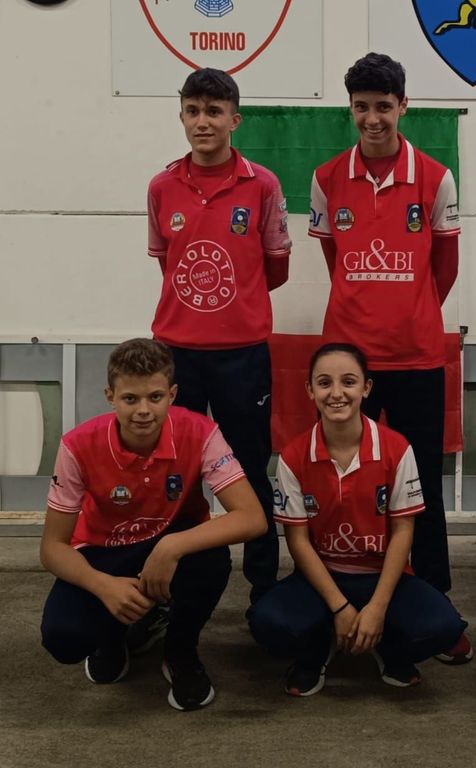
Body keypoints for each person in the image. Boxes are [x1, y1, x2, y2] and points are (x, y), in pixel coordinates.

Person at [308, 52, 471, 663]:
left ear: (403, 106)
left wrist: (409, 311)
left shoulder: (436, 176)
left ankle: (436, 607)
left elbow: (443, 269)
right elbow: (335, 262)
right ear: (350, 109)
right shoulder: (327, 178)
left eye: (383, 106)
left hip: (416, 357)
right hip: (348, 364)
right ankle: (335, 601)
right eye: (362, 107)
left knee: (420, 483)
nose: (372, 118)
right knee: (342, 481)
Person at [39, 339, 266, 711]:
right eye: (130, 399)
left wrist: (171, 547)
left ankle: (180, 649)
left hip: (170, 538)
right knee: (63, 638)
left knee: (211, 560)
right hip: (103, 550)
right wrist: (103, 586)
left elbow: (252, 517)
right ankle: (114, 637)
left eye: (155, 397)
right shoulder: (77, 445)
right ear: (110, 397)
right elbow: (52, 548)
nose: (143, 410)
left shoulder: (201, 432)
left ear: (172, 394)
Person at [147, 67, 291, 607]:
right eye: (193, 111)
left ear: (235, 119)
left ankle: (263, 590)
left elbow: (275, 267)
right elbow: (168, 264)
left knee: (250, 467)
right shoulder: (161, 186)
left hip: (242, 355)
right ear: (181, 116)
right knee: (176, 472)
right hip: (176, 354)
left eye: (213, 111)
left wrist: (235, 308)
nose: (202, 122)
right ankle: (178, 581)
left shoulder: (263, 185)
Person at [248, 343, 467, 695]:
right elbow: (298, 542)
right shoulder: (292, 456)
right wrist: (340, 607)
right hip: (322, 579)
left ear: (366, 388)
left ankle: (386, 646)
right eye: (324, 383)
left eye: (348, 382)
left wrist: (377, 607)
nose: (336, 393)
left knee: (444, 628)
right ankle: (317, 648)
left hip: (383, 577)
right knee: (266, 624)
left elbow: (403, 533)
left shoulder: (397, 448)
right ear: (310, 391)